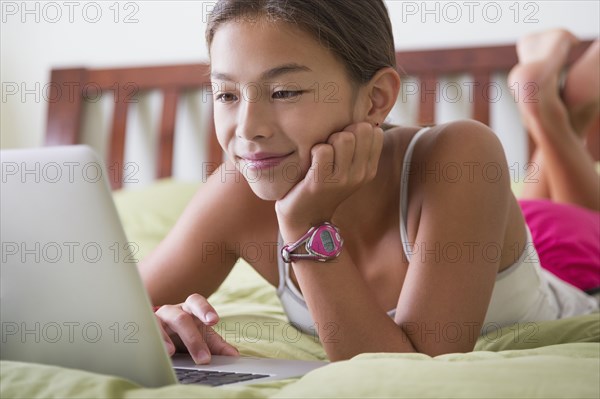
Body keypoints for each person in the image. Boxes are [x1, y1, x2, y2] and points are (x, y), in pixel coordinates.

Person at [140, 0, 599, 365]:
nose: (247, 129)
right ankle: (555, 113)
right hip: (484, 236)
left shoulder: (461, 155)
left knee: (577, 224)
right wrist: (159, 319)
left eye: (284, 92)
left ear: (376, 98)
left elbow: (408, 373)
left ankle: (547, 113)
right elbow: (101, 316)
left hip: (571, 267)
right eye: (226, 94)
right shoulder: (238, 190)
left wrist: (305, 227)